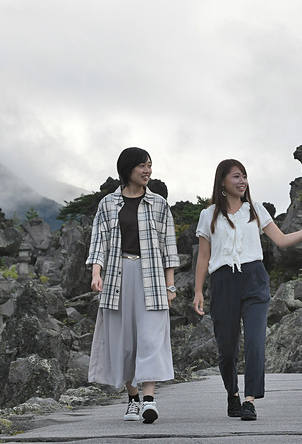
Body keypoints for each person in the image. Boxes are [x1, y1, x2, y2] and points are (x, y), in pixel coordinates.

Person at [193, 159, 302, 421]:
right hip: (222, 282)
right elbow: (203, 257)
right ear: (222, 181)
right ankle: (232, 393)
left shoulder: (256, 210)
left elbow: (280, 240)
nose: (242, 181)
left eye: (244, 176)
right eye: (236, 176)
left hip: (254, 278)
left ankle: (249, 400)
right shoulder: (208, 215)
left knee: (255, 342)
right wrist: (198, 291)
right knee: (227, 348)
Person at [86, 147, 179, 424]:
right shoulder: (108, 204)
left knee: (151, 336)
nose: (147, 170)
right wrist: (96, 273)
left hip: (151, 277)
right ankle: (132, 399)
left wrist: (170, 285)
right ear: (128, 169)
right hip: (118, 275)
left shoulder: (159, 204)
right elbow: (98, 242)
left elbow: (169, 247)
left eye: (149, 165)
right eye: (142, 166)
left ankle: (149, 400)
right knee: (124, 340)